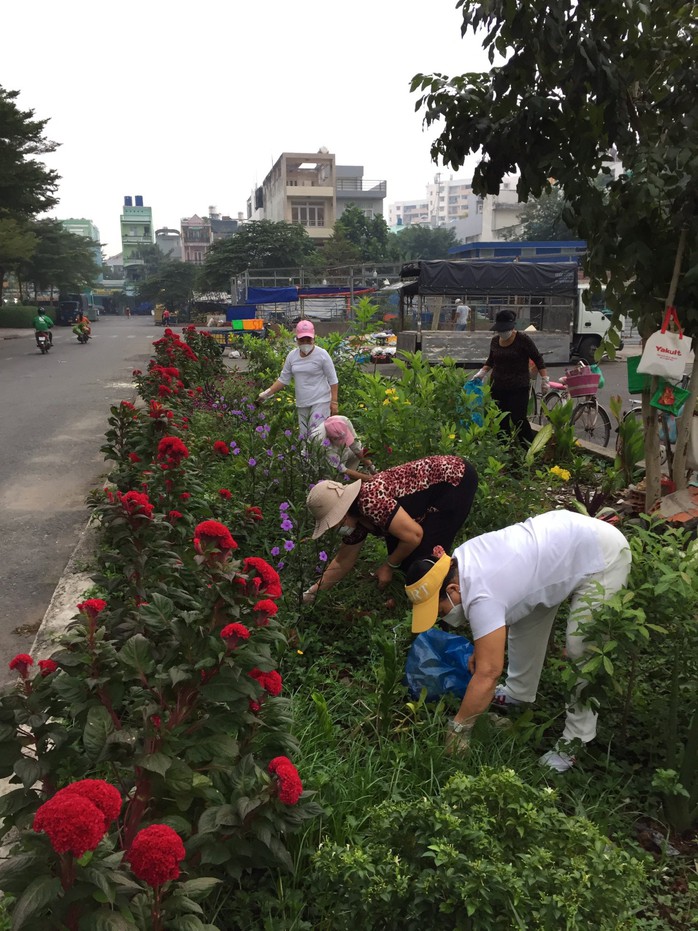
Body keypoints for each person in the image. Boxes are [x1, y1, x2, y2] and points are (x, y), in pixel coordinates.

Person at [404, 510, 631, 772]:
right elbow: (499, 599)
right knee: (524, 617)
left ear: (453, 590)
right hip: (561, 548)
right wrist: (483, 648)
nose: (442, 617)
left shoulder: (481, 594)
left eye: (440, 609)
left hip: (603, 555)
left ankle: (576, 741)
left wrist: (459, 728)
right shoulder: (459, 562)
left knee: (582, 646)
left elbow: (489, 672)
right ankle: (518, 693)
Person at [303, 455, 478, 602]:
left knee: (424, 561)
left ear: (343, 514)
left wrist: (388, 566)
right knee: (405, 560)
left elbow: (414, 536)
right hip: (429, 495)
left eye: (334, 523)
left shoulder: (369, 501)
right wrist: (310, 595)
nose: (335, 528)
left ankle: (449, 600)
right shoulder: (356, 519)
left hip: (454, 481)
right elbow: (342, 562)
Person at [470, 309, 549, 445]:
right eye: (500, 330)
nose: (502, 332)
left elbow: (537, 359)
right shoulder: (495, 341)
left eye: (504, 329)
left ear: (512, 327)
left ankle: (529, 449)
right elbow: (491, 360)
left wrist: (545, 380)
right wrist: (481, 373)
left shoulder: (523, 339)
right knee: (501, 420)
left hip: (518, 387)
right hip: (498, 387)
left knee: (519, 419)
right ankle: (504, 450)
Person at [257, 320, 339, 434]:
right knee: (304, 435)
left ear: (314, 338)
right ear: (297, 339)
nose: (305, 343)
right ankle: (305, 452)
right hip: (302, 401)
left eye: (308, 339)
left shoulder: (322, 355)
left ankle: (317, 452)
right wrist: (266, 394)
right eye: (302, 340)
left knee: (316, 434)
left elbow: (333, 380)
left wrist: (334, 402)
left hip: (321, 400)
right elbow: (283, 379)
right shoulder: (292, 356)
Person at [309, 415, 376, 482]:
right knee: (331, 479)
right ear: (330, 438)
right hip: (318, 460)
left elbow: (357, 448)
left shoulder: (344, 421)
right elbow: (341, 468)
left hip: (337, 453)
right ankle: (338, 482)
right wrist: (370, 479)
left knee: (353, 453)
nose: (345, 444)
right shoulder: (319, 439)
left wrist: (372, 468)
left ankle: (348, 479)